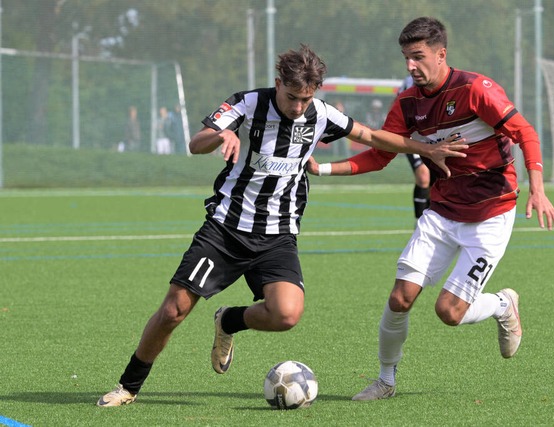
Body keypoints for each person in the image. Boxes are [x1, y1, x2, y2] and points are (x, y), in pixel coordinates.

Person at [96, 44, 467, 407]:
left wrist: (425, 148)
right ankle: (128, 386)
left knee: (287, 314)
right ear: (278, 84)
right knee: (174, 310)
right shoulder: (247, 104)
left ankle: (228, 320)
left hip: (278, 235)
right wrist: (221, 135)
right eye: (292, 97)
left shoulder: (320, 113)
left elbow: (369, 136)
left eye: (306, 99)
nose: (298, 107)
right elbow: (196, 143)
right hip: (226, 228)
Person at [307, 17, 554, 401]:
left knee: (449, 312)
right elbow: (379, 154)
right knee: (399, 298)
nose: (410, 66)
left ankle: (502, 304)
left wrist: (538, 190)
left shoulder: (477, 89)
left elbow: (525, 133)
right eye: (406, 58)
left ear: (441, 55)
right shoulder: (408, 103)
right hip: (442, 212)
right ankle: (385, 381)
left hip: (490, 214)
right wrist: (322, 168)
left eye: (418, 57)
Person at [399, 75, 432, 219]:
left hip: (433, 136)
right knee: (423, 175)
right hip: (412, 136)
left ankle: (433, 219)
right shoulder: (408, 81)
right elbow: (396, 103)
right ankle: (419, 221)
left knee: (436, 180)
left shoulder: (441, 80)